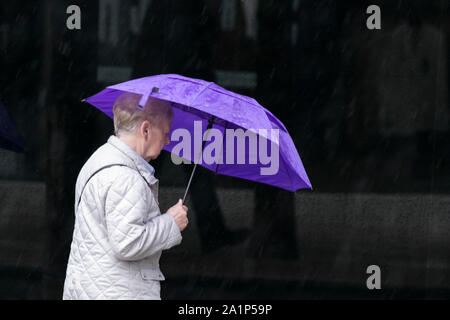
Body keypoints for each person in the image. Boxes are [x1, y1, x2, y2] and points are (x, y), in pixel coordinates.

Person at [62, 92, 188, 300]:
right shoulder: (126, 177)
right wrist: (171, 222)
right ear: (145, 129)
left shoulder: (98, 159)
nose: (168, 140)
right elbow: (128, 243)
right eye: (165, 132)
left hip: (90, 288)